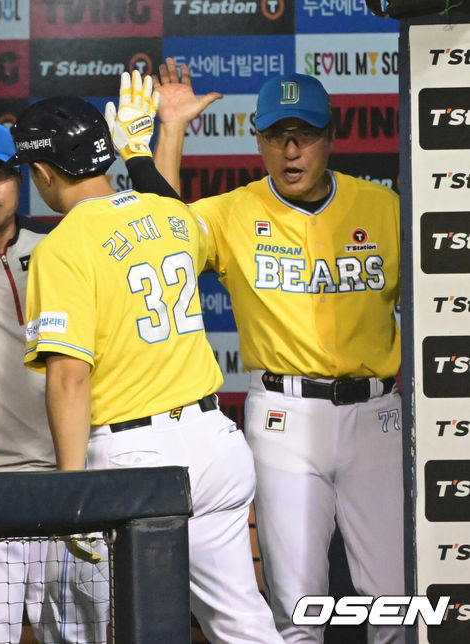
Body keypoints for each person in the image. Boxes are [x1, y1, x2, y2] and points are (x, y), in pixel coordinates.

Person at [11, 85, 284, 644]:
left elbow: (69, 375)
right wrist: (146, 148)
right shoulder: (170, 214)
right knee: (243, 624)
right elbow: (164, 217)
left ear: (41, 171)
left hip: (133, 462)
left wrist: (70, 493)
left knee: (85, 631)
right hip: (215, 447)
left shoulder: (62, 247)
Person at [147, 61, 405, 644]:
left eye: (305, 135)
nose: (291, 151)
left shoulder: (385, 209)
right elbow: (156, 234)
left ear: (330, 137)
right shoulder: (234, 211)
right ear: (257, 140)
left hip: (377, 417)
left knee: (396, 606)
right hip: (284, 417)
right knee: (297, 609)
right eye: (277, 136)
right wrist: (172, 130)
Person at [0, 120, 108, 643]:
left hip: (71, 482)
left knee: (87, 638)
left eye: (1, 174)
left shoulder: (63, 247)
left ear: (23, 180)